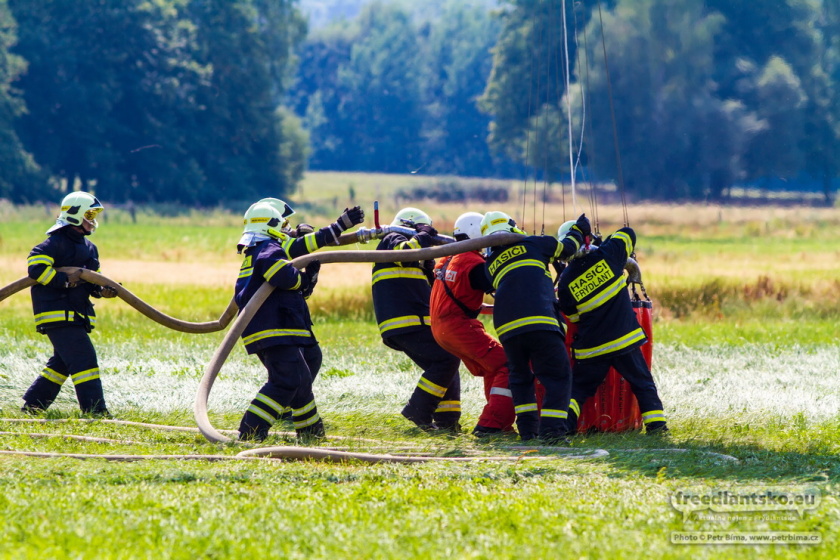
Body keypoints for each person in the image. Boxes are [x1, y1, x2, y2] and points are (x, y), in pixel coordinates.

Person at [235, 201, 364, 441]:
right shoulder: (268, 249)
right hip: (272, 328)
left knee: (303, 378)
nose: (289, 230)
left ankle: (311, 435)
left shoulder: (264, 248)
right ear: (272, 226)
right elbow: (281, 274)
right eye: (284, 226)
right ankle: (251, 432)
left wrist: (338, 227)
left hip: (280, 325)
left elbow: (294, 262)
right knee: (288, 380)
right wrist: (304, 281)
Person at [481, 211, 587, 442]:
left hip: (508, 329)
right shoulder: (536, 243)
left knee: (520, 379)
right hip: (540, 322)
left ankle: (528, 432)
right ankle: (552, 434)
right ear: (513, 227)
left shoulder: (490, 265)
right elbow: (568, 249)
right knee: (557, 376)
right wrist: (579, 230)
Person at [556, 222, 668, 435]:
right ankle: (658, 428)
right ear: (588, 240)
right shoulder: (609, 255)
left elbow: (573, 317)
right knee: (643, 383)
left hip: (592, 347)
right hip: (623, 341)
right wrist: (603, 244)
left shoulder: (566, 281)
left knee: (578, 391)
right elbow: (628, 233)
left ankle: (565, 429)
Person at [21, 191, 117, 416]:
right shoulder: (53, 244)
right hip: (56, 314)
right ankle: (95, 410)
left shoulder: (90, 248)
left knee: (62, 363)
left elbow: (94, 280)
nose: (92, 219)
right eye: (89, 214)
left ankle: (34, 405)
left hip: (77, 315)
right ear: (74, 215)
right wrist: (64, 280)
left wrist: (103, 290)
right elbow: (35, 268)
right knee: (84, 359)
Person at [372, 207, 462, 432]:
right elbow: (405, 253)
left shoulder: (413, 259)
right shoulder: (392, 238)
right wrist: (423, 236)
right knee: (446, 360)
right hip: (406, 321)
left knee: (445, 365)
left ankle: (448, 424)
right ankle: (418, 410)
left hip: (411, 322)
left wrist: (429, 267)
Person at [429, 212, 517, 436]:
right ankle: (491, 425)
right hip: (458, 327)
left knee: (494, 366)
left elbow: (458, 296)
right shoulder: (473, 262)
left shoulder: (449, 258)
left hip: (441, 329)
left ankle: (501, 423)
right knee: (508, 364)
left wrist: (487, 309)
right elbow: (496, 282)